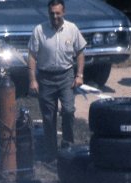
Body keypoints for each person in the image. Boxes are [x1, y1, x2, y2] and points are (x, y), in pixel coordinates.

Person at [28, 0, 86, 163]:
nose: (54, 16)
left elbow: (80, 52)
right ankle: (51, 153)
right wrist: (33, 80)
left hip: (66, 75)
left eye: (57, 13)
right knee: (48, 117)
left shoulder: (72, 29)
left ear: (64, 12)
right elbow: (32, 56)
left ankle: (67, 146)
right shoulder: (39, 30)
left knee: (68, 110)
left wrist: (79, 75)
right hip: (45, 78)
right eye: (52, 13)